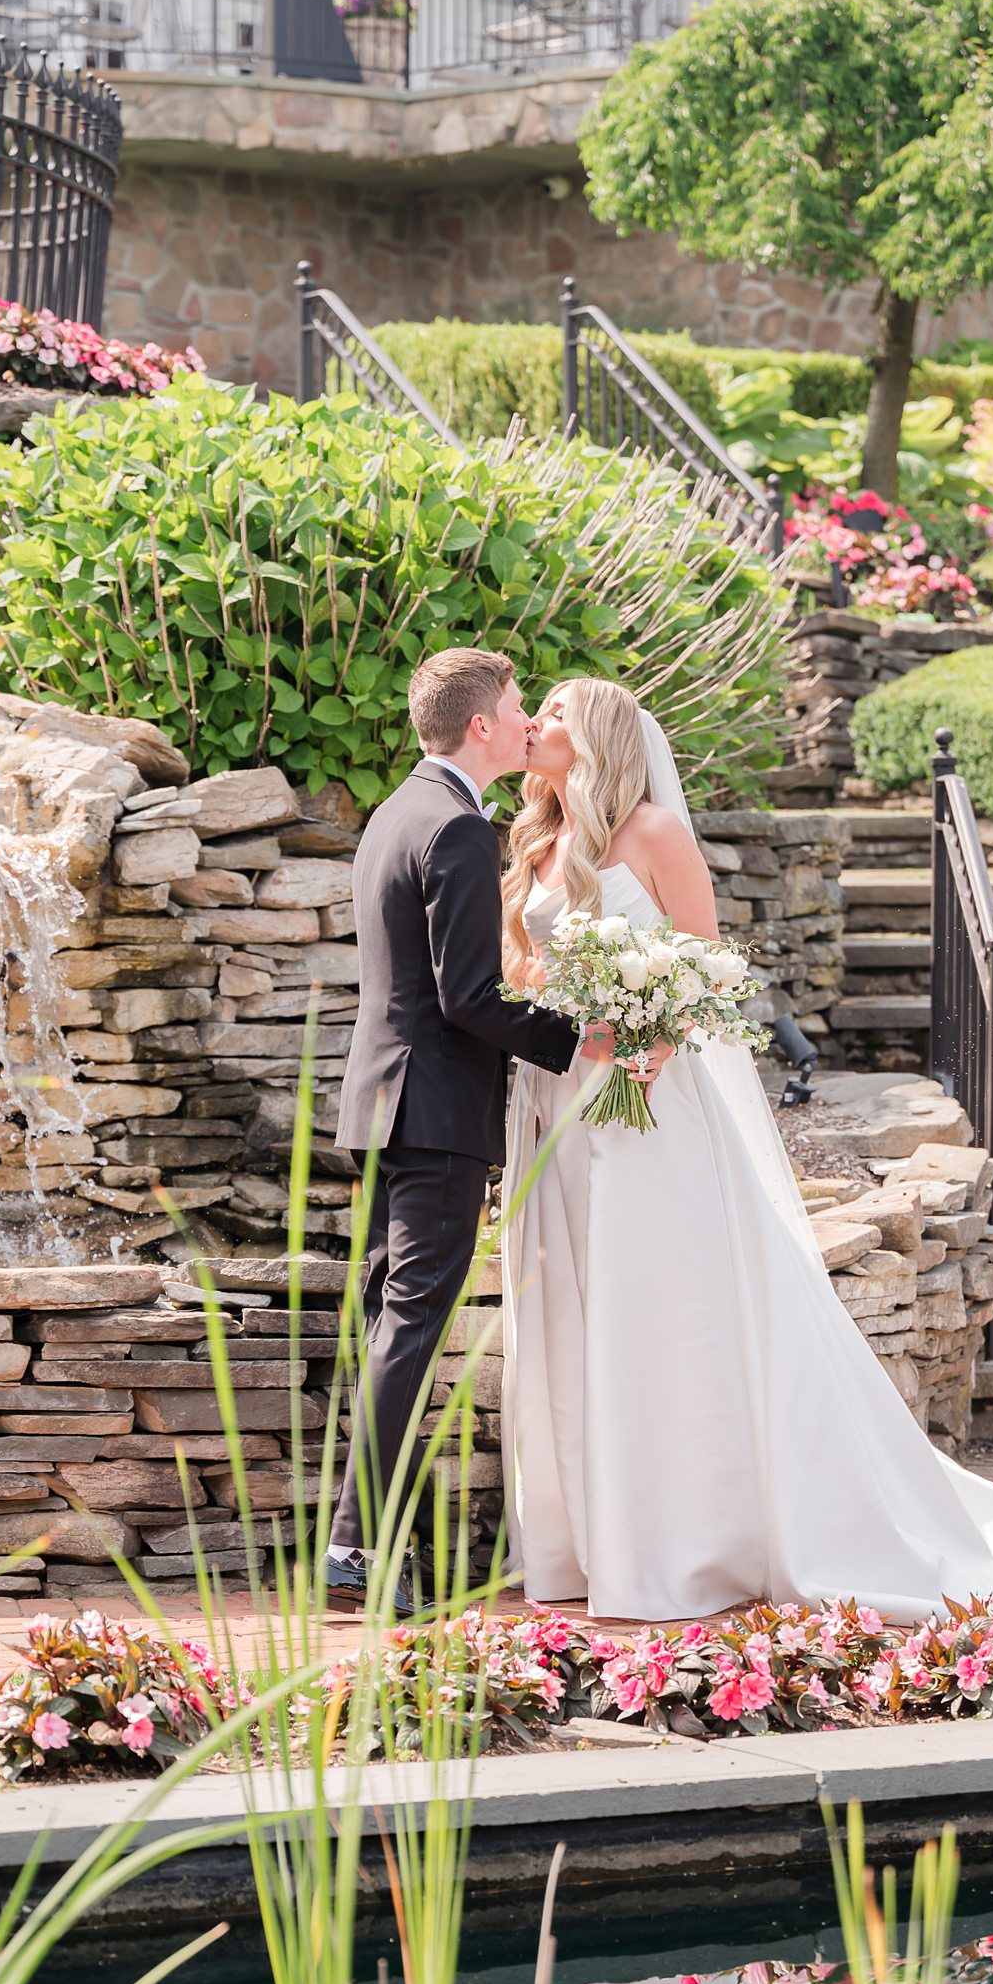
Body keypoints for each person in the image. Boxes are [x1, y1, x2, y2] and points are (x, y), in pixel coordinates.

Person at [499, 677, 993, 1623]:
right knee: (584, 1307)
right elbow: (522, 972)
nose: (540, 723)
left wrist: (648, 1034)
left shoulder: (651, 832)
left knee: (660, 1306)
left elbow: (706, 966)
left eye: (558, 711)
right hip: (566, 1102)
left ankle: (687, 1543)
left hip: (652, 1103)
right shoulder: (538, 841)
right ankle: (597, 1538)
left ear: (600, 734)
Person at [329, 647, 614, 1610]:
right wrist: (580, 1036)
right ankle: (356, 1554)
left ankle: (364, 1547)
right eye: (517, 702)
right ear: (481, 725)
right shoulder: (453, 826)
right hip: (437, 1111)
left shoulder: (397, 812)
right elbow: (467, 998)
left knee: (387, 1325)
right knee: (409, 1328)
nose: (528, 714)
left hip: (381, 1103)